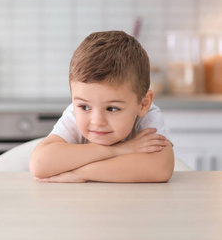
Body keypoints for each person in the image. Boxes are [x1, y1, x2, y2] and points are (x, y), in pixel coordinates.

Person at [29, 31, 174, 183]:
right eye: (85, 107)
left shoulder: (147, 114)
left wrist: (80, 173)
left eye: (112, 108)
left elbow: (160, 168)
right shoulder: (74, 113)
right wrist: (118, 150)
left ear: (143, 104)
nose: (97, 121)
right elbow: (39, 164)